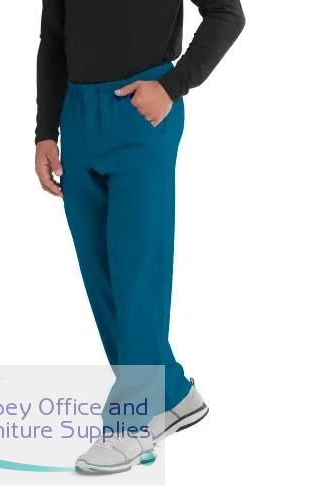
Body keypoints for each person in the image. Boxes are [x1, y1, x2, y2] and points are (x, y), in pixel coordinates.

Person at [34, 0, 245, 473]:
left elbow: (227, 14)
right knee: (103, 275)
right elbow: (54, 37)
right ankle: (172, 392)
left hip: (142, 108)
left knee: (138, 270)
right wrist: (46, 130)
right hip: (77, 115)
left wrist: (172, 86)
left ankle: (132, 420)